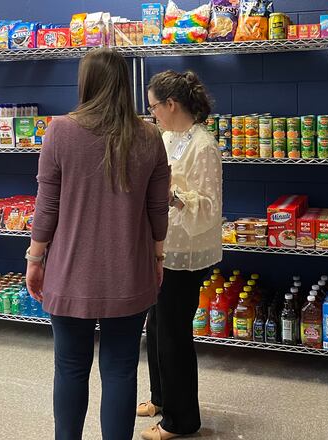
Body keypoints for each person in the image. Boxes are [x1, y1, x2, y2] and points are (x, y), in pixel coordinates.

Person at [26, 48, 171, 440]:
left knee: (70, 366)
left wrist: (35, 259)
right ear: (126, 85)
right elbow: (159, 210)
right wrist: (157, 257)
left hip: (69, 271)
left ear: (85, 83)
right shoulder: (149, 135)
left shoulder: (60, 130)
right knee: (121, 368)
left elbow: (47, 207)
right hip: (130, 270)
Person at [138, 70, 223, 440]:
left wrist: (171, 196)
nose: (152, 112)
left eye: (154, 105)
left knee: (174, 334)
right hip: (163, 247)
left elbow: (208, 207)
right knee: (156, 326)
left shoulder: (204, 145)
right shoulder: (169, 136)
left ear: (171, 104)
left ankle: (181, 420)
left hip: (186, 253)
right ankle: (160, 398)